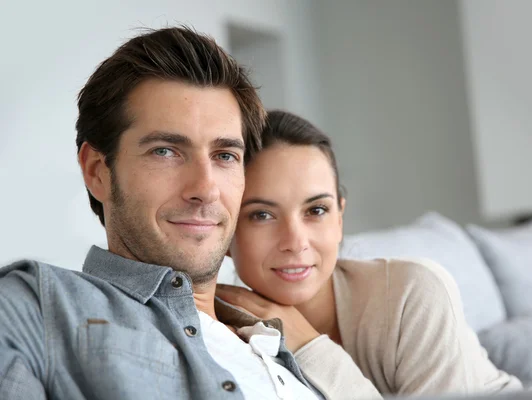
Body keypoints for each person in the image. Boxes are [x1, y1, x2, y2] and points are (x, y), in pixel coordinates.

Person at [0, 27, 328, 400]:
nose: (204, 189)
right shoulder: (36, 308)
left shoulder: (280, 346)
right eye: (165, 151)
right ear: (97, 171)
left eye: (224, 156)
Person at [219, 110, 525, 398]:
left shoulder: (412, 293)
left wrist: (309, 347)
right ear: (226, 233)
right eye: (261, 215)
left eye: (316, 210)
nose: (296, 242)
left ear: (339, 218)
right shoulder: (217, 326)